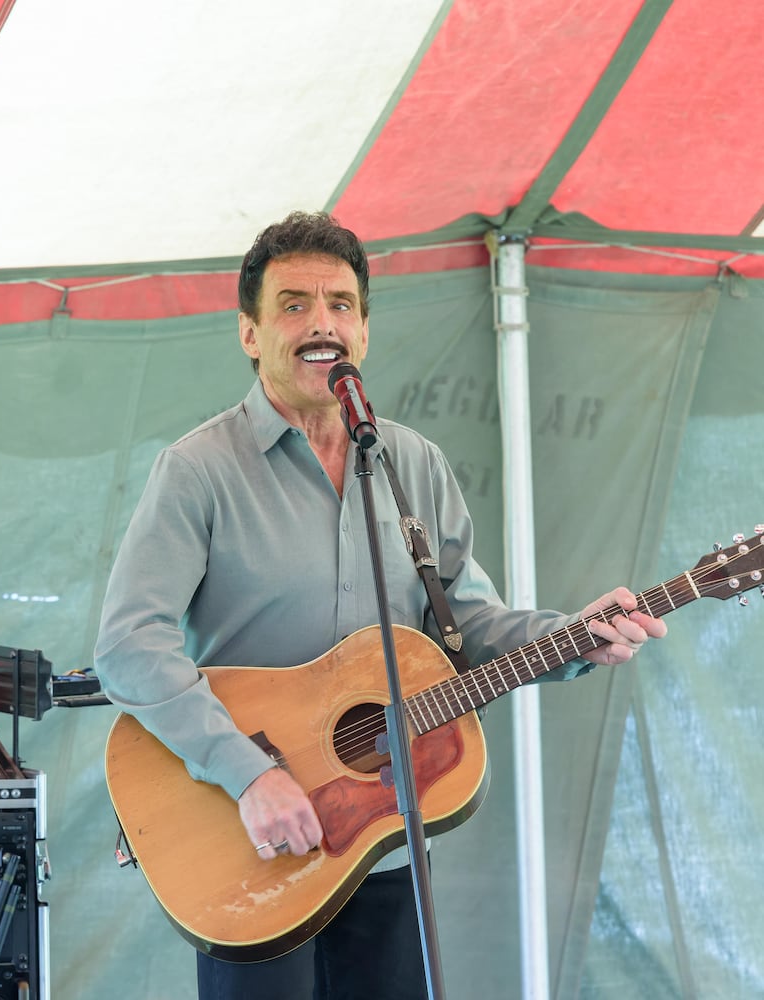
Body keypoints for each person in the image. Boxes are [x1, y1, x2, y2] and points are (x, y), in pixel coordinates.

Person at [92, 210, 665, 1000]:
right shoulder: (196, 470)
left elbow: (469, 628)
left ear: (363, 331)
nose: (320, 323)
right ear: (250, 333)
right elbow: (130, 645)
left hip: (388, 843)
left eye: (340, 305)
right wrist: (248, 775)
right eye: (293, 305)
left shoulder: (412, 463)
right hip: (250, 839)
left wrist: (573, 636)